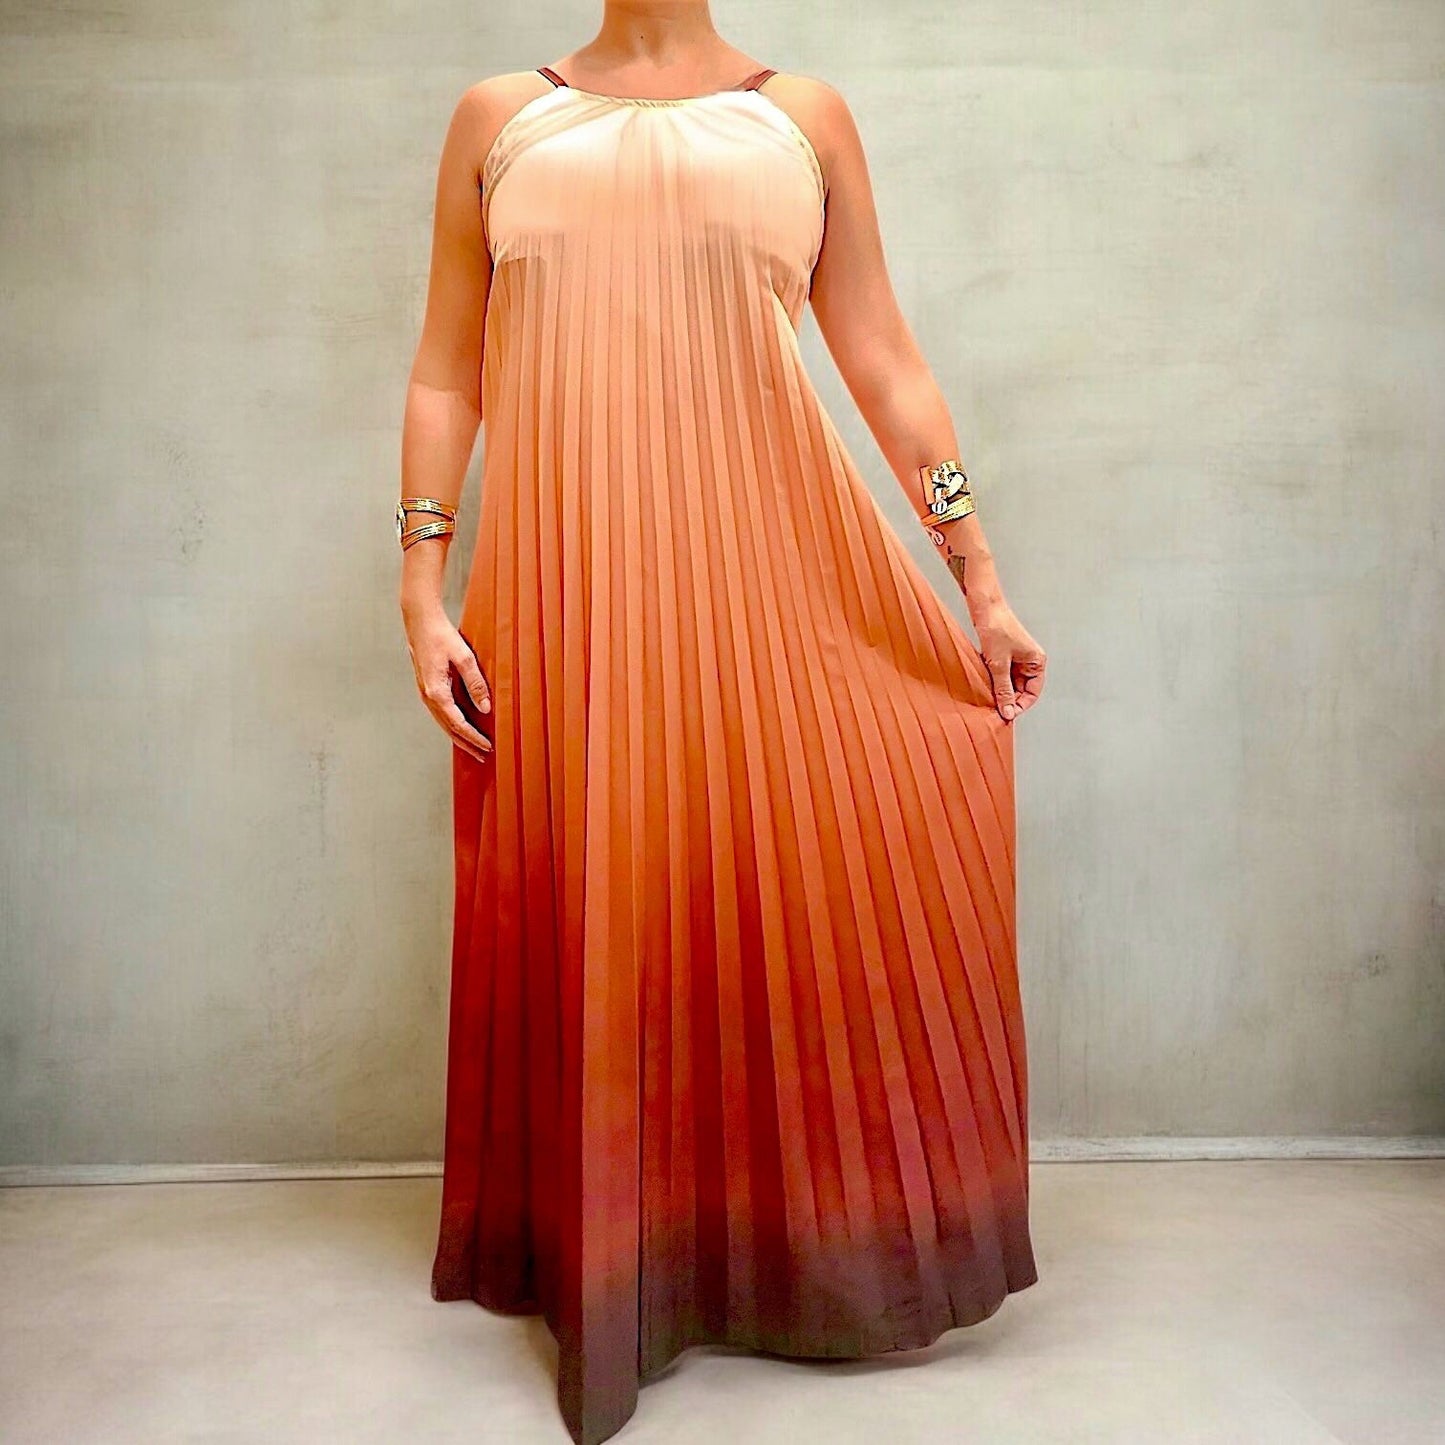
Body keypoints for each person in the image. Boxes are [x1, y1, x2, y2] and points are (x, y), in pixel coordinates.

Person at [398, 8, 1048, 1443]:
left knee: (775, 905)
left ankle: (788, 1250)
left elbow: (881, 358)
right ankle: (619, 1259)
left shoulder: (800, 119)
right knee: (600, 908)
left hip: (767, 585)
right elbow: (450, 364)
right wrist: (420, 583)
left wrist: (980, 582)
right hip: (565, 595)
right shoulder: (498, 120)